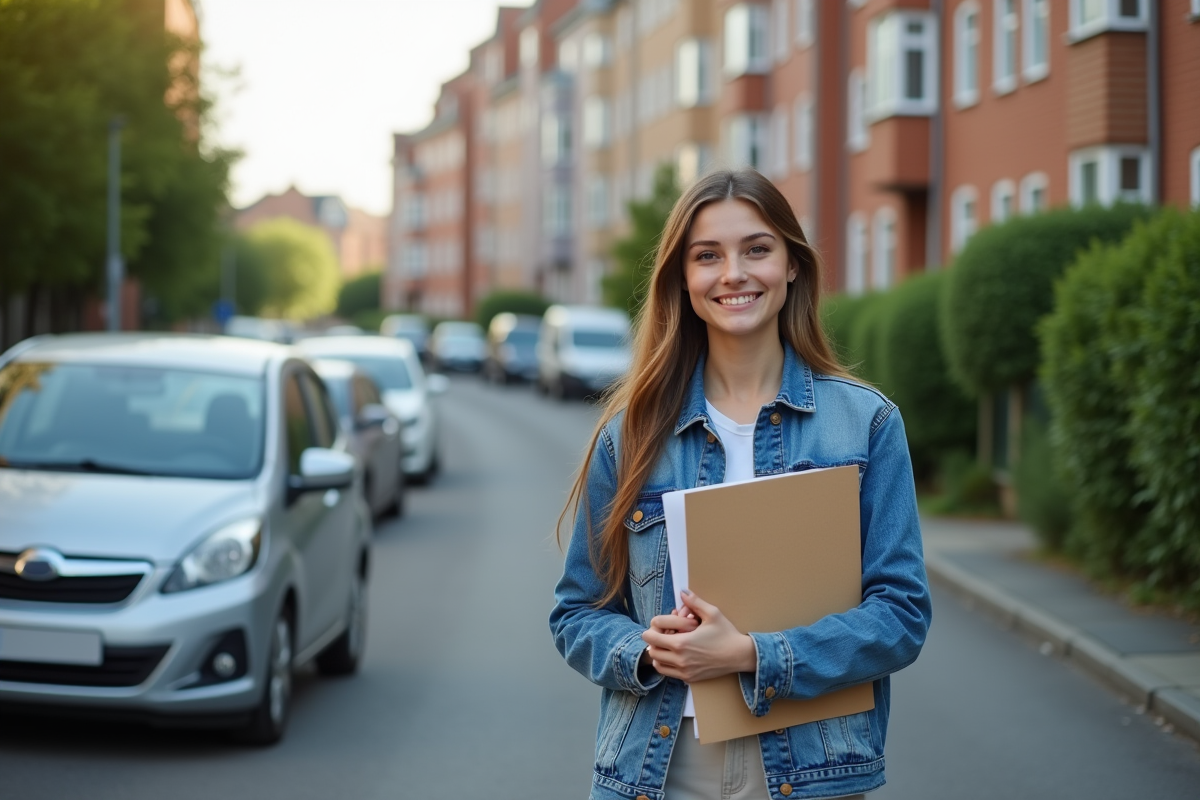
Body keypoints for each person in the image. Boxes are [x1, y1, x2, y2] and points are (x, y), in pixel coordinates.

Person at [549, 169, 932, 800]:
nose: (734, 273)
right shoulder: (631, 434)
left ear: (792, 267)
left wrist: (754, 654)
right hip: (661, 771)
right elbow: (576, 612)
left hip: (813, 771)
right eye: (708, 256)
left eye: (757, 249)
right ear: (684, 280)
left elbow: (901, 616)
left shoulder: (866, 425)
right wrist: (649, 651)